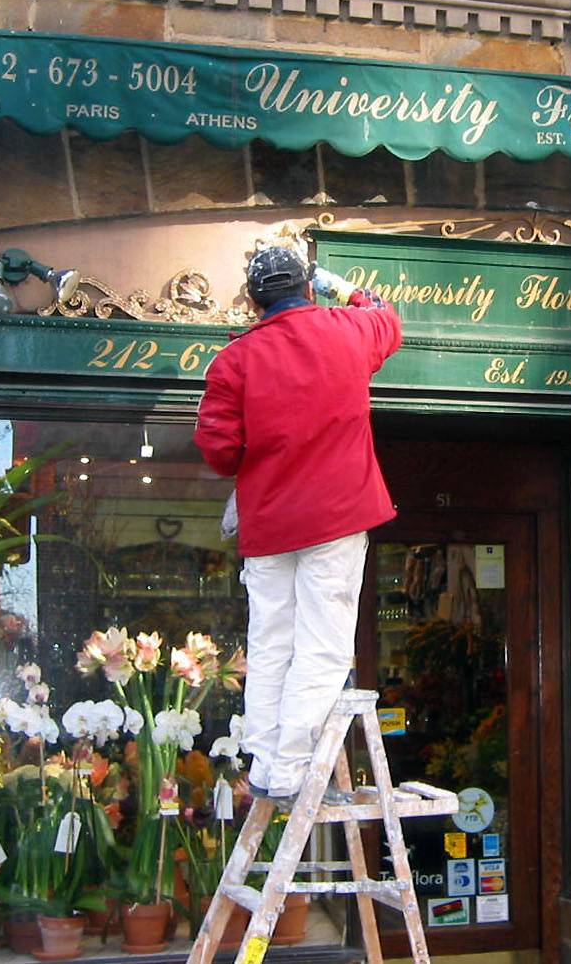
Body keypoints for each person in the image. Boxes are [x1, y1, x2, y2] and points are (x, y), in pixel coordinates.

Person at [194, 245, 400, 804]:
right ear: (308, 289)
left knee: (270, 644)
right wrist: (343, 287)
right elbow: (387, 316)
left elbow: (217, 451)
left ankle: (262, 760)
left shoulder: (233, 361)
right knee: (324, 647)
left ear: (253, 299)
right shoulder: (348, 331)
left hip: (269, 524)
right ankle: (286, 770)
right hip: (337, 515)